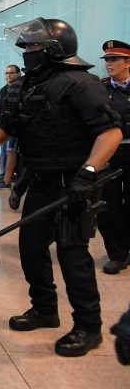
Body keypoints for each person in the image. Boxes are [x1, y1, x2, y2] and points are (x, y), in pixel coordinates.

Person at [0, 17, 122, 357]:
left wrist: (88, 171)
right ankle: (44, 309)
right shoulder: (27, 85)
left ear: (55, 49)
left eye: (35, 47)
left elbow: (109, 132)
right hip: (40, 180)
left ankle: (88, 325)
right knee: (31, 247)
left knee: (72, 254)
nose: (28, 53)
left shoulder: (82, 84)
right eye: (25, 48)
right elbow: (10, 122)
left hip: (74, 184)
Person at [97, 40, 130, 274]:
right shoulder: (101, 89)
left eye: (114, 59)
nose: (109, 64)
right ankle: (117, 254)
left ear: (128, 62)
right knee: (107, 206)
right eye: (107, 60)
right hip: (108, 153)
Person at [0, 65, 22, 190]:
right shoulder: (3, 90)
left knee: (11, 151)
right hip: (5, 126)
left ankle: (7, 179)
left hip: (16, 127)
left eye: (11, 73)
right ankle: (4, 178)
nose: (8, 75)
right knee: (6, 151)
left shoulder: (21, 89)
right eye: (7, 73)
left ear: (18, 74)